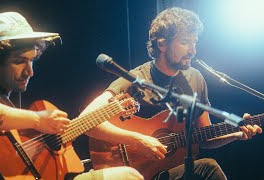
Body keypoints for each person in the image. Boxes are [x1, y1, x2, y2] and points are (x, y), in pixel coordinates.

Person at [0, 12, 144, 180]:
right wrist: (38, 120)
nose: (29, 72)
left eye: (32, 61)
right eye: (19, 61)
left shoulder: (5, 94)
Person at [82, 7, 262, 180]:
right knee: (208, 168)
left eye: (194, 42)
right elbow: (86, 121)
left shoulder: (195, 79)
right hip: (137, 172)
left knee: (203, 167)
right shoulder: (134, 79)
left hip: (172, 171)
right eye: (185, 42)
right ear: (162, 44)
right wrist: (138, 141)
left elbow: (204, 138)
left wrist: (236, 133)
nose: (193, 50)